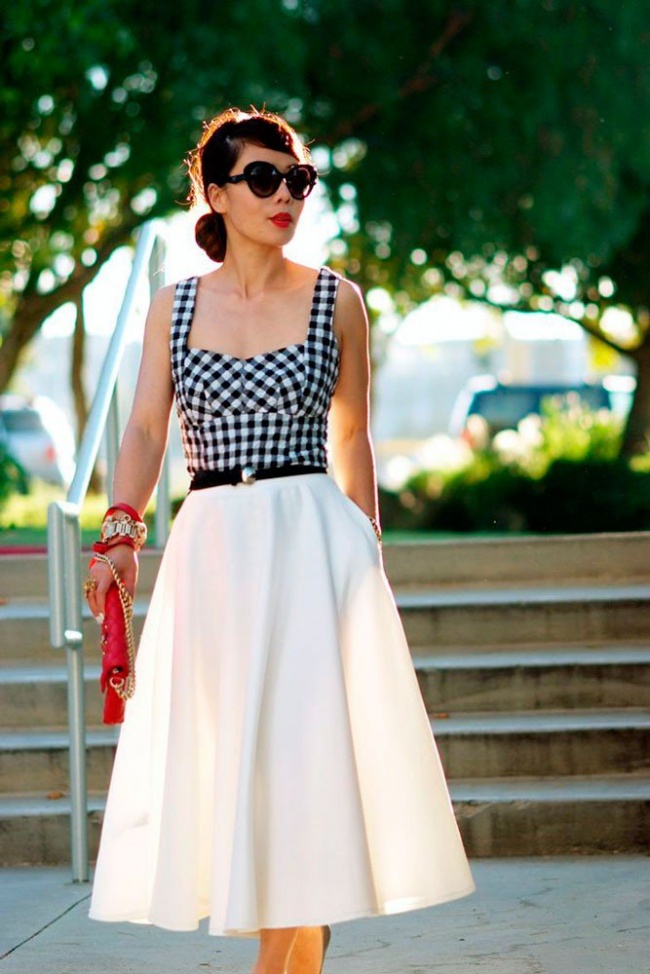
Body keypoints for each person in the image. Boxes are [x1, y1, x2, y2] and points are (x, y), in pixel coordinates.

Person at [84, 107, 474, 974]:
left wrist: (367, 554)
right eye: (263, 178)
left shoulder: (339, 299)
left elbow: (353, 436)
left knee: (301, 760)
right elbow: (144, 430)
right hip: (214, 549)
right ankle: (301, 938)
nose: (284, 195)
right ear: (215, 193)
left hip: (313, 545)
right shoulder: (173, 306)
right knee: (243, 761)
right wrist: (120, 535)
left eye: (297, 179)